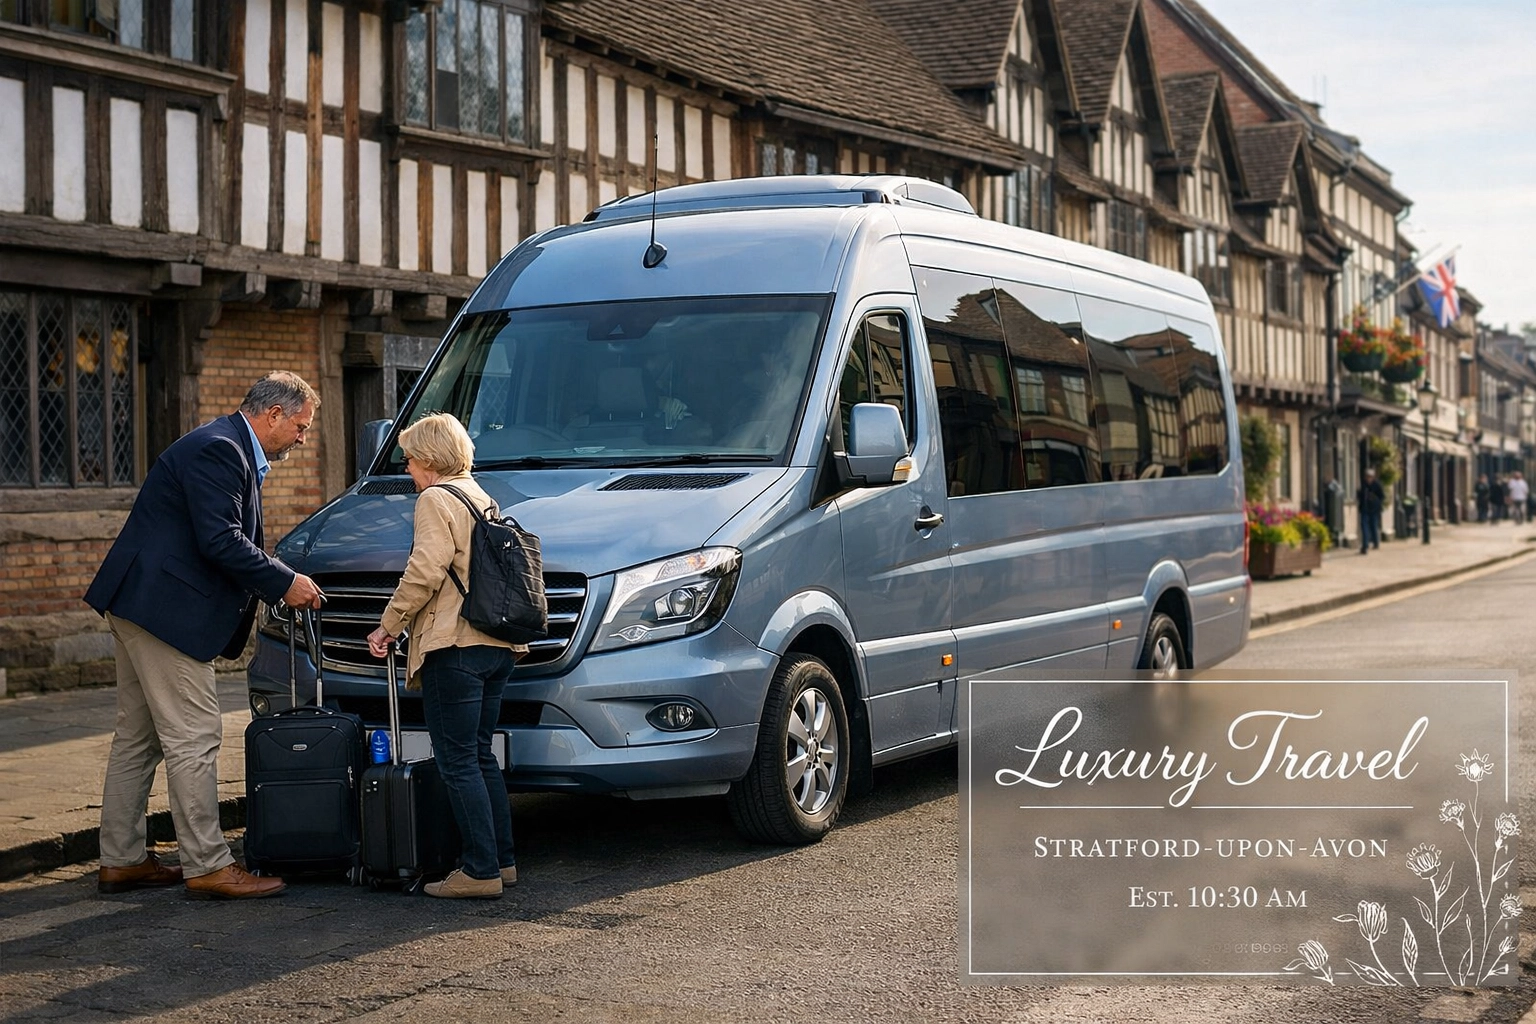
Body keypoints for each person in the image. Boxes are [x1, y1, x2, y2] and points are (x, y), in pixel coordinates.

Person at [84, 372, 323, 899]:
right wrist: (284, 582)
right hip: (165, 612)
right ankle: (208, 865)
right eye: (301, 427)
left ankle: (121, 860)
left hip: (141, 604)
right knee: (194, 737)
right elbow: (220, 540)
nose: (303, 439)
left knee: (138, 739)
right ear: (274, 415)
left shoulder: (226, 444)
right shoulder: (220, 449)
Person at [366, 414, 524, 899]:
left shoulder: (436, 498)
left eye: (411, 459)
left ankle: (479, 872)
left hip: (454, 647)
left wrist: (387, 626)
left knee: (456, 761)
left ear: (430, 460)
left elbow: (425, 570)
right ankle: (502, 860)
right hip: (496, 645)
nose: (409, 469)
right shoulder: (483, 497)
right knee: (480, 755)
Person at [1357, 467, 1384, 554]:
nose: (1368, 478)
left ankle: (1375, 542)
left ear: (1373, 477)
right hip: (1365, 508)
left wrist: (1376, 502)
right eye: (1367, 476)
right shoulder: (1363, 485)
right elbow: (1360, 495)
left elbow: (1382, 496)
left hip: (1374, 509)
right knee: (1364, 527)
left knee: (1373, 525)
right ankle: (1365, 546)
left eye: (1370, 476)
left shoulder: (1377, 485)